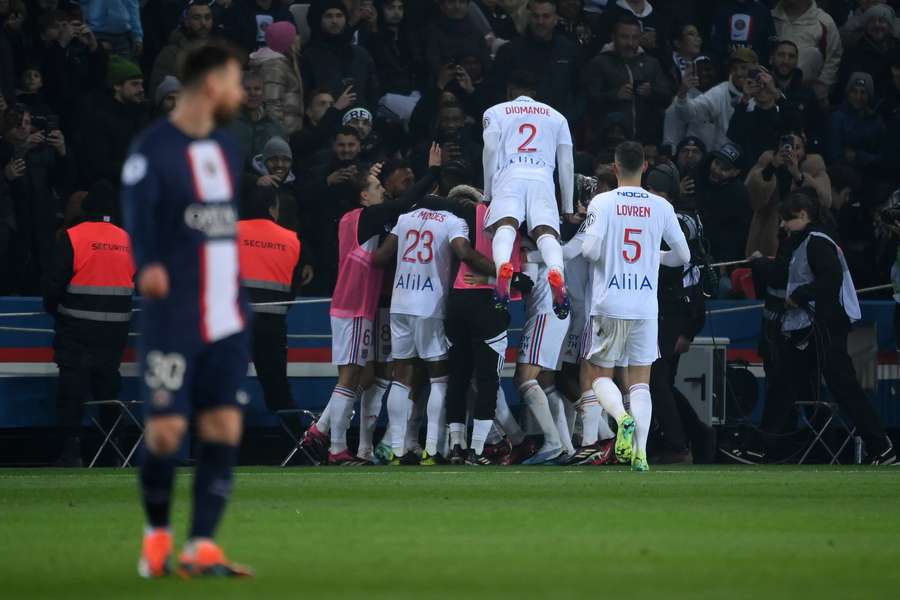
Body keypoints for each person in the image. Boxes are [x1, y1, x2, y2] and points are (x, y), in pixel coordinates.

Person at [121, 40, 253, 578]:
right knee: (167, 433)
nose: (242, 93)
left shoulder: (225, 149)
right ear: (212, 83)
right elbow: (137, 209)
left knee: (223, 425)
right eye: (236, 81)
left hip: (227, 314)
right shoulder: (152, 148)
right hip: (174, 315)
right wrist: (147, 261)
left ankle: (201, 546)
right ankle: (157, 537)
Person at [308, 144, 444, 465]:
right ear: (363, 198)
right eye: (375, 189)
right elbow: (404, 202)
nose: (381, 193)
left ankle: (326, 434)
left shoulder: (350, 220)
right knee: (351, 376)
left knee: (357, 375)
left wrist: (370, 172)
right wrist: (433, 172)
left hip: (348, 306)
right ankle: (335, 446)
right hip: (355, 308)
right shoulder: (367, 217)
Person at [580, 141, 690, 471]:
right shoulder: (660, 206)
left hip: (609, 302)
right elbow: (684, 256)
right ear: (645, 167)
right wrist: (654, 257)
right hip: (644, 306)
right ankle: (640, 452)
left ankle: (621, 417)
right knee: (641, 381)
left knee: (600, 375)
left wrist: (606, 257)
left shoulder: (602, 201)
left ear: (615, 168)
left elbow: (588, 250)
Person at [775, 192, 896, 464]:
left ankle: (882, 447)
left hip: (823, 326)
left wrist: (800, 295)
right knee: (791, 385)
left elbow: (830, 279)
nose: (783, 225)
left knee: (840, 388)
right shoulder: (813, 240)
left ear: (803, 216)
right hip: (817, 326)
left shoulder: (816, 242)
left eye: (786, 219)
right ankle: (882, 448)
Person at [372, 198, 495, 464]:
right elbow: (464, 252)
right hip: (429, 304)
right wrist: (498, 271)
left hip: (399, 303)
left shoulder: (405, 218)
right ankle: (432, 448)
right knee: (439, 376)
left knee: (401, 375)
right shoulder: (454, 221)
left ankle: (397, 450)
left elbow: (379, 257)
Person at [41, 180, 135, 467]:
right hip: (115, 332)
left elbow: (53, 286)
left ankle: (72, 453)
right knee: (108, 390)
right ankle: (115, 452)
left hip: (76, 329)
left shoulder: (73, 236)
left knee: (72, 391)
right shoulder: (128, 240)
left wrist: (56, 311)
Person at [482, 70, 574, 317]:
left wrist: (488, 191)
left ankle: (504, 268)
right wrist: (567, 207)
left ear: (509, 92)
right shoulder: (557, 117)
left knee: (506, 227)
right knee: (546, 233)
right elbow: (566, 164)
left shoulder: (495, 111)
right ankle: (556, 271)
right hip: (542, 178)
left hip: (510, 175)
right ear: (534, 94)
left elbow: (490, 149)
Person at [237, 187, 302, 414]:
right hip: (272, 326)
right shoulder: (291, 240)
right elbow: (293, 289)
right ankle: (296, 446)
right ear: (272, 208)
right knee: (278, 390)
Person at [582, 14, 673, 145]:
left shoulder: (651, 63)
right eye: (624, 37)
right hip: (608, 139)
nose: (630, 43)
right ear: (613, 37)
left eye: (634, 37)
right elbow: (589, 99)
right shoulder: (600, 63)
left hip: (645, 140)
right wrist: (615, 95)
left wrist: (651, 92)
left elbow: (667, 96)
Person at [490, 0, 581, 121]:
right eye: (535, 16)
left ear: (556, 18)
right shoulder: (509, 51)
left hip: (559, 125)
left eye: (546, 16)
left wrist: (566, 120)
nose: (540, 21)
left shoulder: (569, 51)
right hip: (519, 125)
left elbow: (580, 91)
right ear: (529, 17)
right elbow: (496, 91)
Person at [746, 131, 832, 257]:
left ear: (804, 150)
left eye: (797, 148)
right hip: (765, 239)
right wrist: (771, 168)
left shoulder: (815, 169)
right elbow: (752, 200)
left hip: (802, 239)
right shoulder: (765, 165)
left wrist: (799, 176)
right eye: (787, 146)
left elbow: (824, 202)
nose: (792, 152)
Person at [673, 47, 757, 154]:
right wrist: (683, 91)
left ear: (756, 68)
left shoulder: (766, 90)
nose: (738, 73)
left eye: (744, 68)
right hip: (723, 160)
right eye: (734, 68)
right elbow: (688, 114)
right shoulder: (720, 92)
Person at [771, 0, 843, 90]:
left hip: (806, 94)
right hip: (770, 89)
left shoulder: (824, 22)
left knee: (812, 53)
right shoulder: (769, 16)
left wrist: (822, 86)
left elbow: (833, 58)